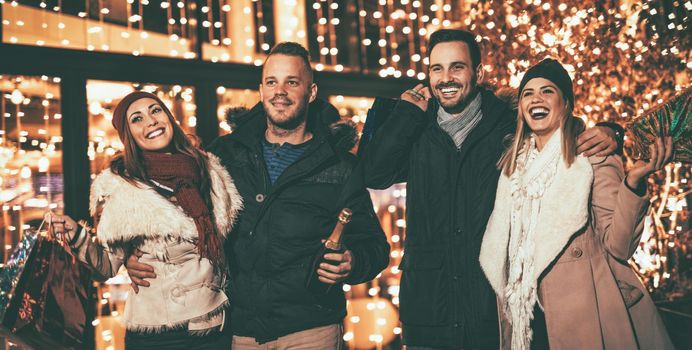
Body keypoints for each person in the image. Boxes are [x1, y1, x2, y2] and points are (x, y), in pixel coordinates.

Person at [363, 29, 621, 349]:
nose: (446, 78)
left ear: (478, 72)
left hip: (491, 309)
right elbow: (373, 174)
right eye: (436, 69)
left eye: (457, 67)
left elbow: (561, 131)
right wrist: (404, 115)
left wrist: (613, 131)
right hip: (430, 311)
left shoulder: (508, 122)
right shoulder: (415, 124)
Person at [127, 42, 390, 348]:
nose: (280, 91)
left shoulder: (339, 165)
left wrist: (352, 262)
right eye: (271, 82)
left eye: (292, 82)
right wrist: (136, 252)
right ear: (262, 90)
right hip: (241, 330)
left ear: (311, 92)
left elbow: (374, 245)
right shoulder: (224, 154)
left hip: (310, 330)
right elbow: (181, 217)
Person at [479, 58, 674, 349]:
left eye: (548, 91)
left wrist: (633, 184)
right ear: (520, 107)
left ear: (566, 104)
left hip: (582, 314)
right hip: (527, 321)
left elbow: (619, 247)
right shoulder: (511, 169)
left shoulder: (592, 157)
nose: (537, 99)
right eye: (528, 93)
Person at [47, 91, 243, 349]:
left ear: (169, 117)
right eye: (137, 119)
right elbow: (106, 266)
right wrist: (77, 237)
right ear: (128, 135)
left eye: (156, 110)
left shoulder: (209, 171)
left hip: (215, 326)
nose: (150, 121)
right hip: (158, 334)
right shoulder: (121, 188)